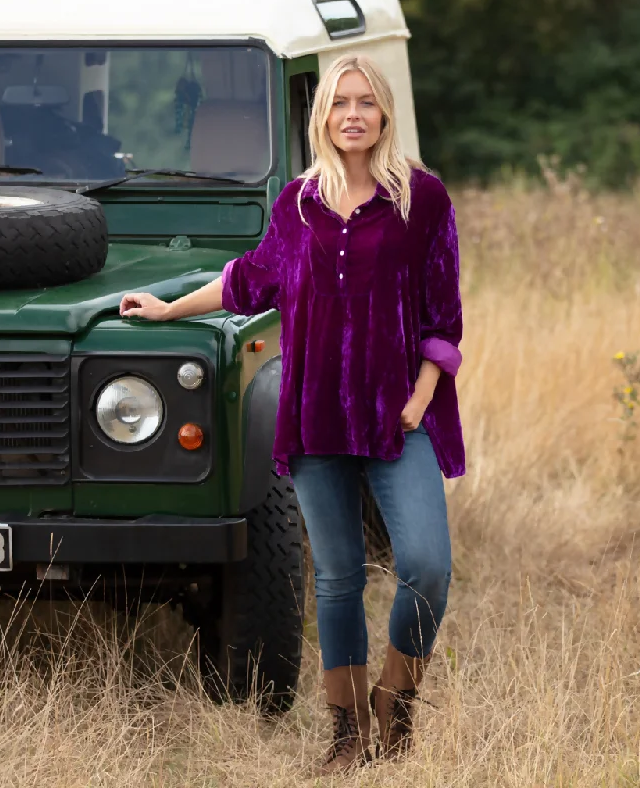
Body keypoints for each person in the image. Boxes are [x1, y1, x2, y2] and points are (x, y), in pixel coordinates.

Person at [119, 53, 464, 776]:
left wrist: (424, 393)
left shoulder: (422, 200)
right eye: (341, 104)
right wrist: (167, 308)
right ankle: (346, 735)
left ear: (384, 113)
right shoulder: (298, 205)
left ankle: (395, 705)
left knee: (426, 567)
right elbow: (248, 280)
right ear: (322, 117)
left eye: (366, 103)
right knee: (337, 579)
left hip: (399, 418)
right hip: (316, 420)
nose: (353, 116)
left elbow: (443, 314)